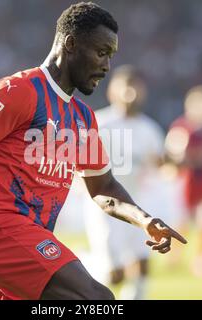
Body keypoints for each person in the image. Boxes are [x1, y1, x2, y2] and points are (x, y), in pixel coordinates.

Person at [0, 2, 186, 300]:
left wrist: (145, 220)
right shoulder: (20, 91)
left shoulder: (83, 118)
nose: (107, 67)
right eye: (101, 52)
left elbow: (103, 187)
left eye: (110, 56)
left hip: (30, 235)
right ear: (70, 44)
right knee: (98, 299)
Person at [82, 65, 165, 299]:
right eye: (126, 87)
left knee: (142, 264)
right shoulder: (100, 123)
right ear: (112, 91)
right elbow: (80, 162)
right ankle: (83, 261)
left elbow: (161, 165)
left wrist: (175, 159)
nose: (131, 93)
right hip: (106, 207)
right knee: (114, 276)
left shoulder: (150, 128)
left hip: (138, 204)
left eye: (136, 87)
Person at [164, 85, 202, 277]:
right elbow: (173, 157)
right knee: (181, 224)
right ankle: (174, 256)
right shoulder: (181, 128)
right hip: (185, 184)